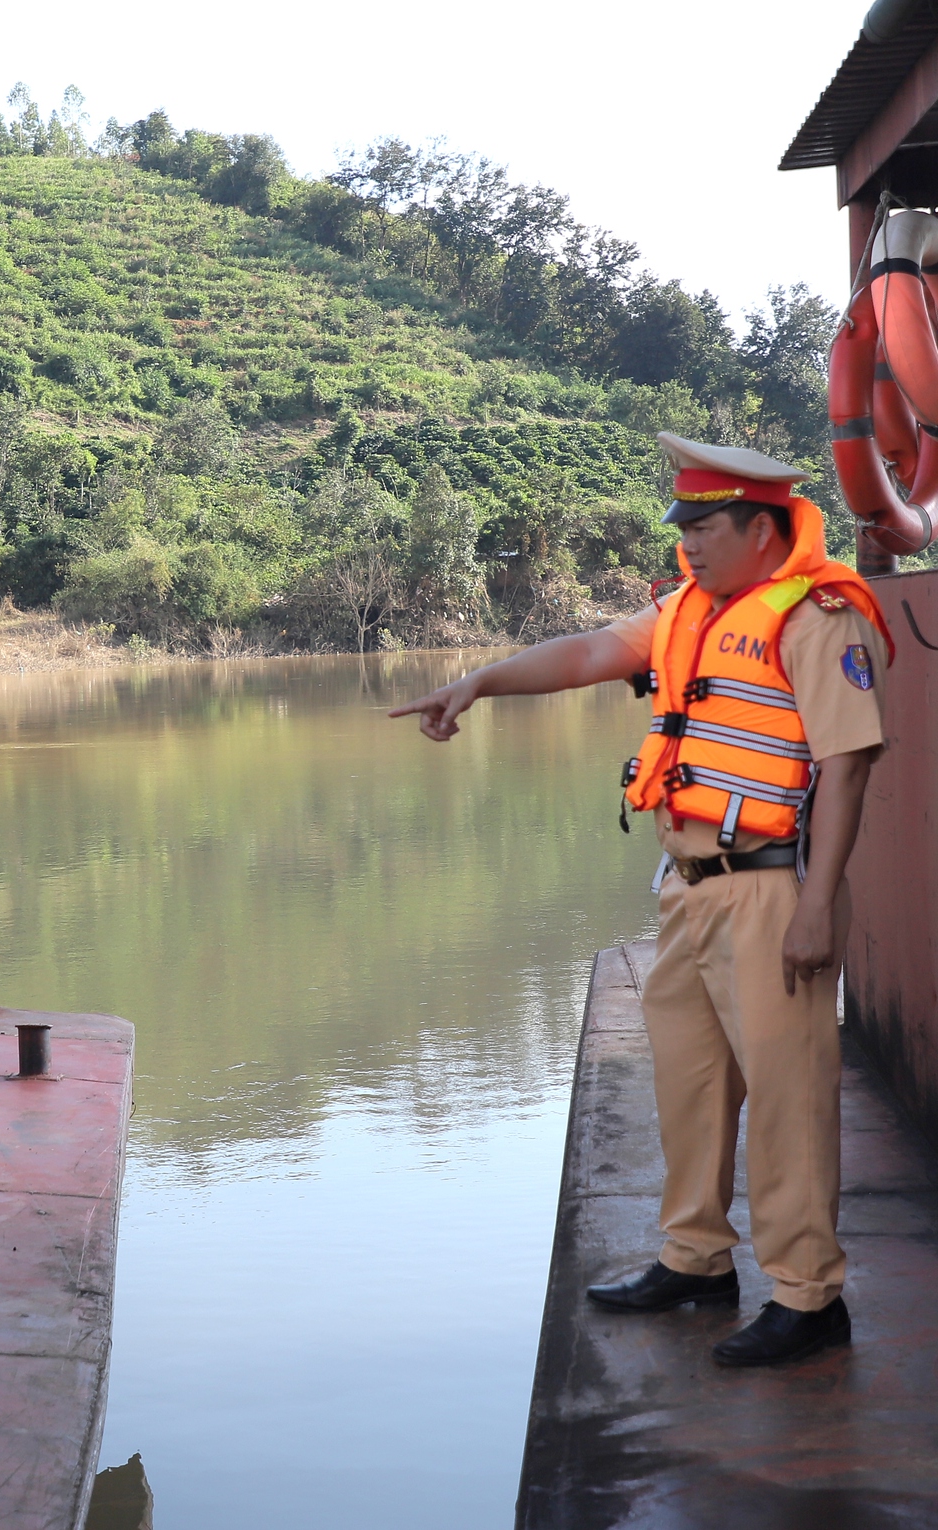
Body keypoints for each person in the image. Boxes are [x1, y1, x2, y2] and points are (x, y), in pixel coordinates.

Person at [389, 433, 892, 1367]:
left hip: (774, 888)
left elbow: (848, 768)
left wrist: (820, 905)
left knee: (787, 1099)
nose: (689, 544)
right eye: (684, 527)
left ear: (760, 524)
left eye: (705, 526)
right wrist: (481, 682)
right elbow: (586, 651)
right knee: (690, 1085)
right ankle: (696, 1261)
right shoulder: (687, 612)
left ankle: (808, 1294)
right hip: (689, 890)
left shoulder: (818, 618)